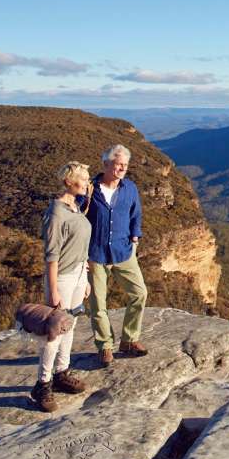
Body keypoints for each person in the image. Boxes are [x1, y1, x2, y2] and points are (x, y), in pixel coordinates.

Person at [32, 161, 91, 412]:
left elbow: (80, 244)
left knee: (71, 325)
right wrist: (53, 289)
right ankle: (42, 385)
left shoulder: (75, 207)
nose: (88, 182)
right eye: (83, 178)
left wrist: (85, 276)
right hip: (63, 278)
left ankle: (61, 373)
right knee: (54, 332)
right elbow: (52, 254)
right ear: (69, 181)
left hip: (78, 274)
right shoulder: (56, 213)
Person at [85, 144, 149, 366]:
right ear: (105, 164)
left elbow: (136, 214)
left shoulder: (129, 188)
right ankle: (105, 346)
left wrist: (135, 236)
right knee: (98, 305)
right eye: (118, 164)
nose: (122, 168)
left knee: (139, 293)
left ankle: (129, 340)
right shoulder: (89, 190)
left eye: (125, 165)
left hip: (123, 251)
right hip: (95, 254)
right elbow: (76, 220)